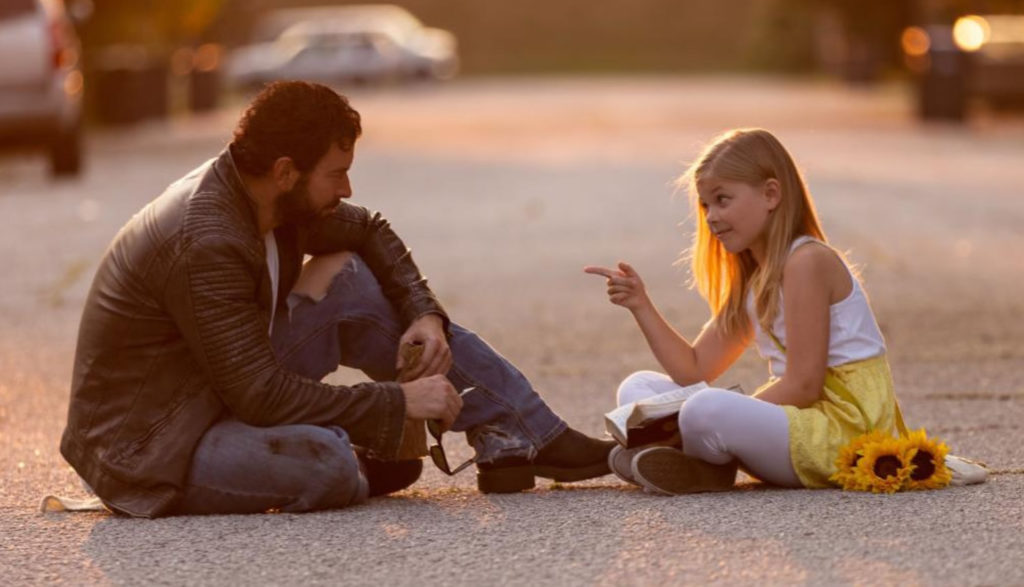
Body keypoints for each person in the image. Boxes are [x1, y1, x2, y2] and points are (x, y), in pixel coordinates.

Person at [61, 81, 612, 518]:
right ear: (285, 172)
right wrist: (398, 404)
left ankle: (524, 432)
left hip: (214, 384)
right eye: (337, 174)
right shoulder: (210, 240)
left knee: (347, 279)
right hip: (150, 448)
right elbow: (260, 397)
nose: (346, 190)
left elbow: (369, 229)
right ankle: (346, 452)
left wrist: (425, 316)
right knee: (325, 467)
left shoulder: (271, 200)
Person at [584, 128, 904, 495]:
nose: (710, 218)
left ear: (771, 194)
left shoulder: (807, 261)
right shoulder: (755, 278)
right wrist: (640, 304)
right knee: (638, 387)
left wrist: (707, 415)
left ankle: (695, 459)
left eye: (722, 200)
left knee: (705, 409)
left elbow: (804, 385)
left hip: (841, 431)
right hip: (797, 422)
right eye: (705, 205)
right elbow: (694, 368)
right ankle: (698, 464)